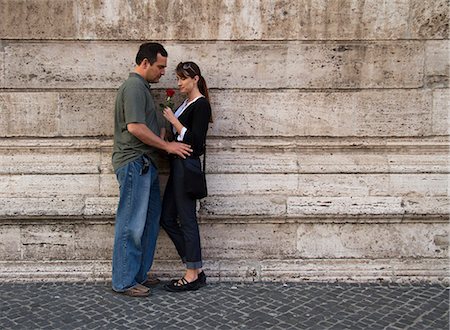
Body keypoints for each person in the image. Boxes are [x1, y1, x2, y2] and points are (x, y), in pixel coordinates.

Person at [111, 43, 192, 297]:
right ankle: (124, 281)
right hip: (135, 162)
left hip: (145, 164)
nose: (162, 73)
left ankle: (138, 275)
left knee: (147, 223)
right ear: (144, 63)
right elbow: (135, 127)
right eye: (159, 67)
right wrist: (167, 146)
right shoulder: (134, 86)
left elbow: (147, 126)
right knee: (131, 225)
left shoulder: (143, 89)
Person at [160, 61, 212, 292]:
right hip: (177, 165)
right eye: (178, 78)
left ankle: (191, 273)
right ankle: (196, 267)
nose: (179, 83)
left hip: (187, 166)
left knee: (187, 219)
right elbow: (179, 136)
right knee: (166, 217)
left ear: (195, 79)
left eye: (183, 78)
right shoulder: (184, 103)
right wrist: (167, 132)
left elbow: (196, 141)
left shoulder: (201, 105)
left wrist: (174, 121)